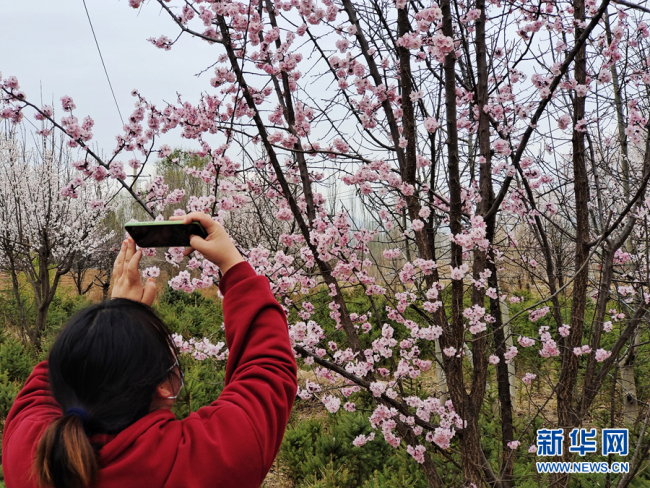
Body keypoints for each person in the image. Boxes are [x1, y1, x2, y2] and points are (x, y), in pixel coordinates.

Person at [2, 212, 298, 488]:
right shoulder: (202, 462)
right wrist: (234, 265)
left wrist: (114, 322)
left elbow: (63, 369)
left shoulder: (29, 456)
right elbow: (268, 369)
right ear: (165, 387)